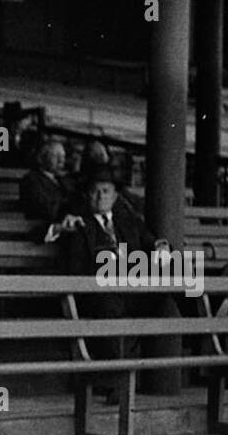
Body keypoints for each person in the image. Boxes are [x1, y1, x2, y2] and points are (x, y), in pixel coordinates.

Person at [62, 166, 173, 393]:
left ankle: (206, 310)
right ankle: (112, 381)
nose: (100, 196)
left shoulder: (127, 220)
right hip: (98, 292)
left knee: (177, 265)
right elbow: (76, 268)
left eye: (105, 191)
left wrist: (161, 246)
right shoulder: (80, 224)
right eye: (95, 191)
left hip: (132, 289)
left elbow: (151, 240)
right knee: (108, 303)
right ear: (87, 195)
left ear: (115, 196)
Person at [19, 138, 76, 241]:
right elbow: (46, 209)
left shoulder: (64, 181)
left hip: (67, 231)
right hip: (43, 232)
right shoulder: (31, 180)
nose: (61, 160)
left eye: (63, 156)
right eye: (55, 156)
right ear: (41, 158)